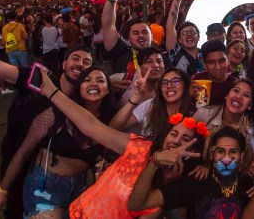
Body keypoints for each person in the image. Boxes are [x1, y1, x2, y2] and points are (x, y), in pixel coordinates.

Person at [0, 0, 93, 219]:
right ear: (64, 63)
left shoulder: (85, 101)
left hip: (51, 176)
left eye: (87, 62)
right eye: (76, 58)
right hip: (16, 156)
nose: (80, 64)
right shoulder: (38, 77)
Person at [36, 66, 208, 218]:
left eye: (185, 139)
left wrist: (174, 176)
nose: (176, 141)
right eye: (174, 134)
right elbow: (92, 126)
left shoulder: (165, 194)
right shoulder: (141, 147)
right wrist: (52, 92)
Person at [0, 66, 117, 217]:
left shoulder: (106, 121)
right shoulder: (55, 114)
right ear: (79, 87)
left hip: (80, 189)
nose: (94, 84)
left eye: (100, 80)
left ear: (107, 89)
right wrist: (2, 189)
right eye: (87, 80)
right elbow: (23, 152)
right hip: (46, 187)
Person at [128, 125, 254, 218]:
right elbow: (136, 204)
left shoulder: (249, 187)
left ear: (242, 156)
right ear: (212, 154)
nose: (227, 159)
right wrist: (154, 163)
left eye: (233, 152)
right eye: (220, 151)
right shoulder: (196, 182)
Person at [110, 67, 191, 137]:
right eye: (164, 83)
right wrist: (137, 96)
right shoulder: (150, 105)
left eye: (175, 81)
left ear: (185, 86)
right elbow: (113, 128)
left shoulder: (194, 112)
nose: (169, 85)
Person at [192, 40, 237, 106]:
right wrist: (188, 95)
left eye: (222, 61)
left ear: (228, 60)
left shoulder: (236, 85)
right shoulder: (196, 80)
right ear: (204, 64)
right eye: (211, 62)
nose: (218, 67)